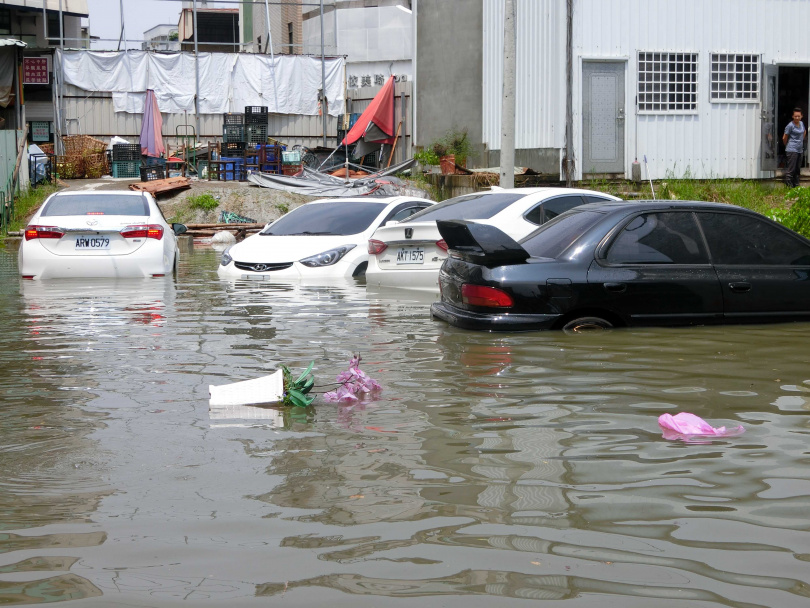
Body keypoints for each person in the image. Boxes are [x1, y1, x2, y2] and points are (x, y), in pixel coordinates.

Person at [782, 107, 807, 188]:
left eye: (798, 116)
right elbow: (784, 137)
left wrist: (801, 140)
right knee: (791, 170)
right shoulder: (790, 125)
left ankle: (796, 186)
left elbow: (804, 131)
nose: (797, 118)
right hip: (792, 149)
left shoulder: (802, 123)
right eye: (795, 116)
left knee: (797, 169)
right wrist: (788, 145)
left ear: (801, 116)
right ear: (792, 116)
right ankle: (789, 187)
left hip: (800, 150)